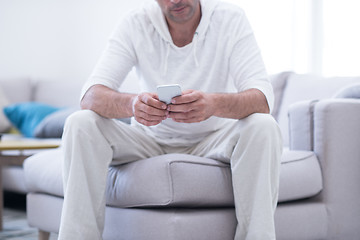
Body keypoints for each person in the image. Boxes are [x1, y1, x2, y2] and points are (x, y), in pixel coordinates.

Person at [58, 0, 283, 239]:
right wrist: (133, 105)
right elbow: (90, 96)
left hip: (213, 139)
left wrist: (213, 104)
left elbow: (262, 99)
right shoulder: (136, 22)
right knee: (79, 123)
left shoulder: (230, 18)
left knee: (264, 125)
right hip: (148, 140)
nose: (175, 0)